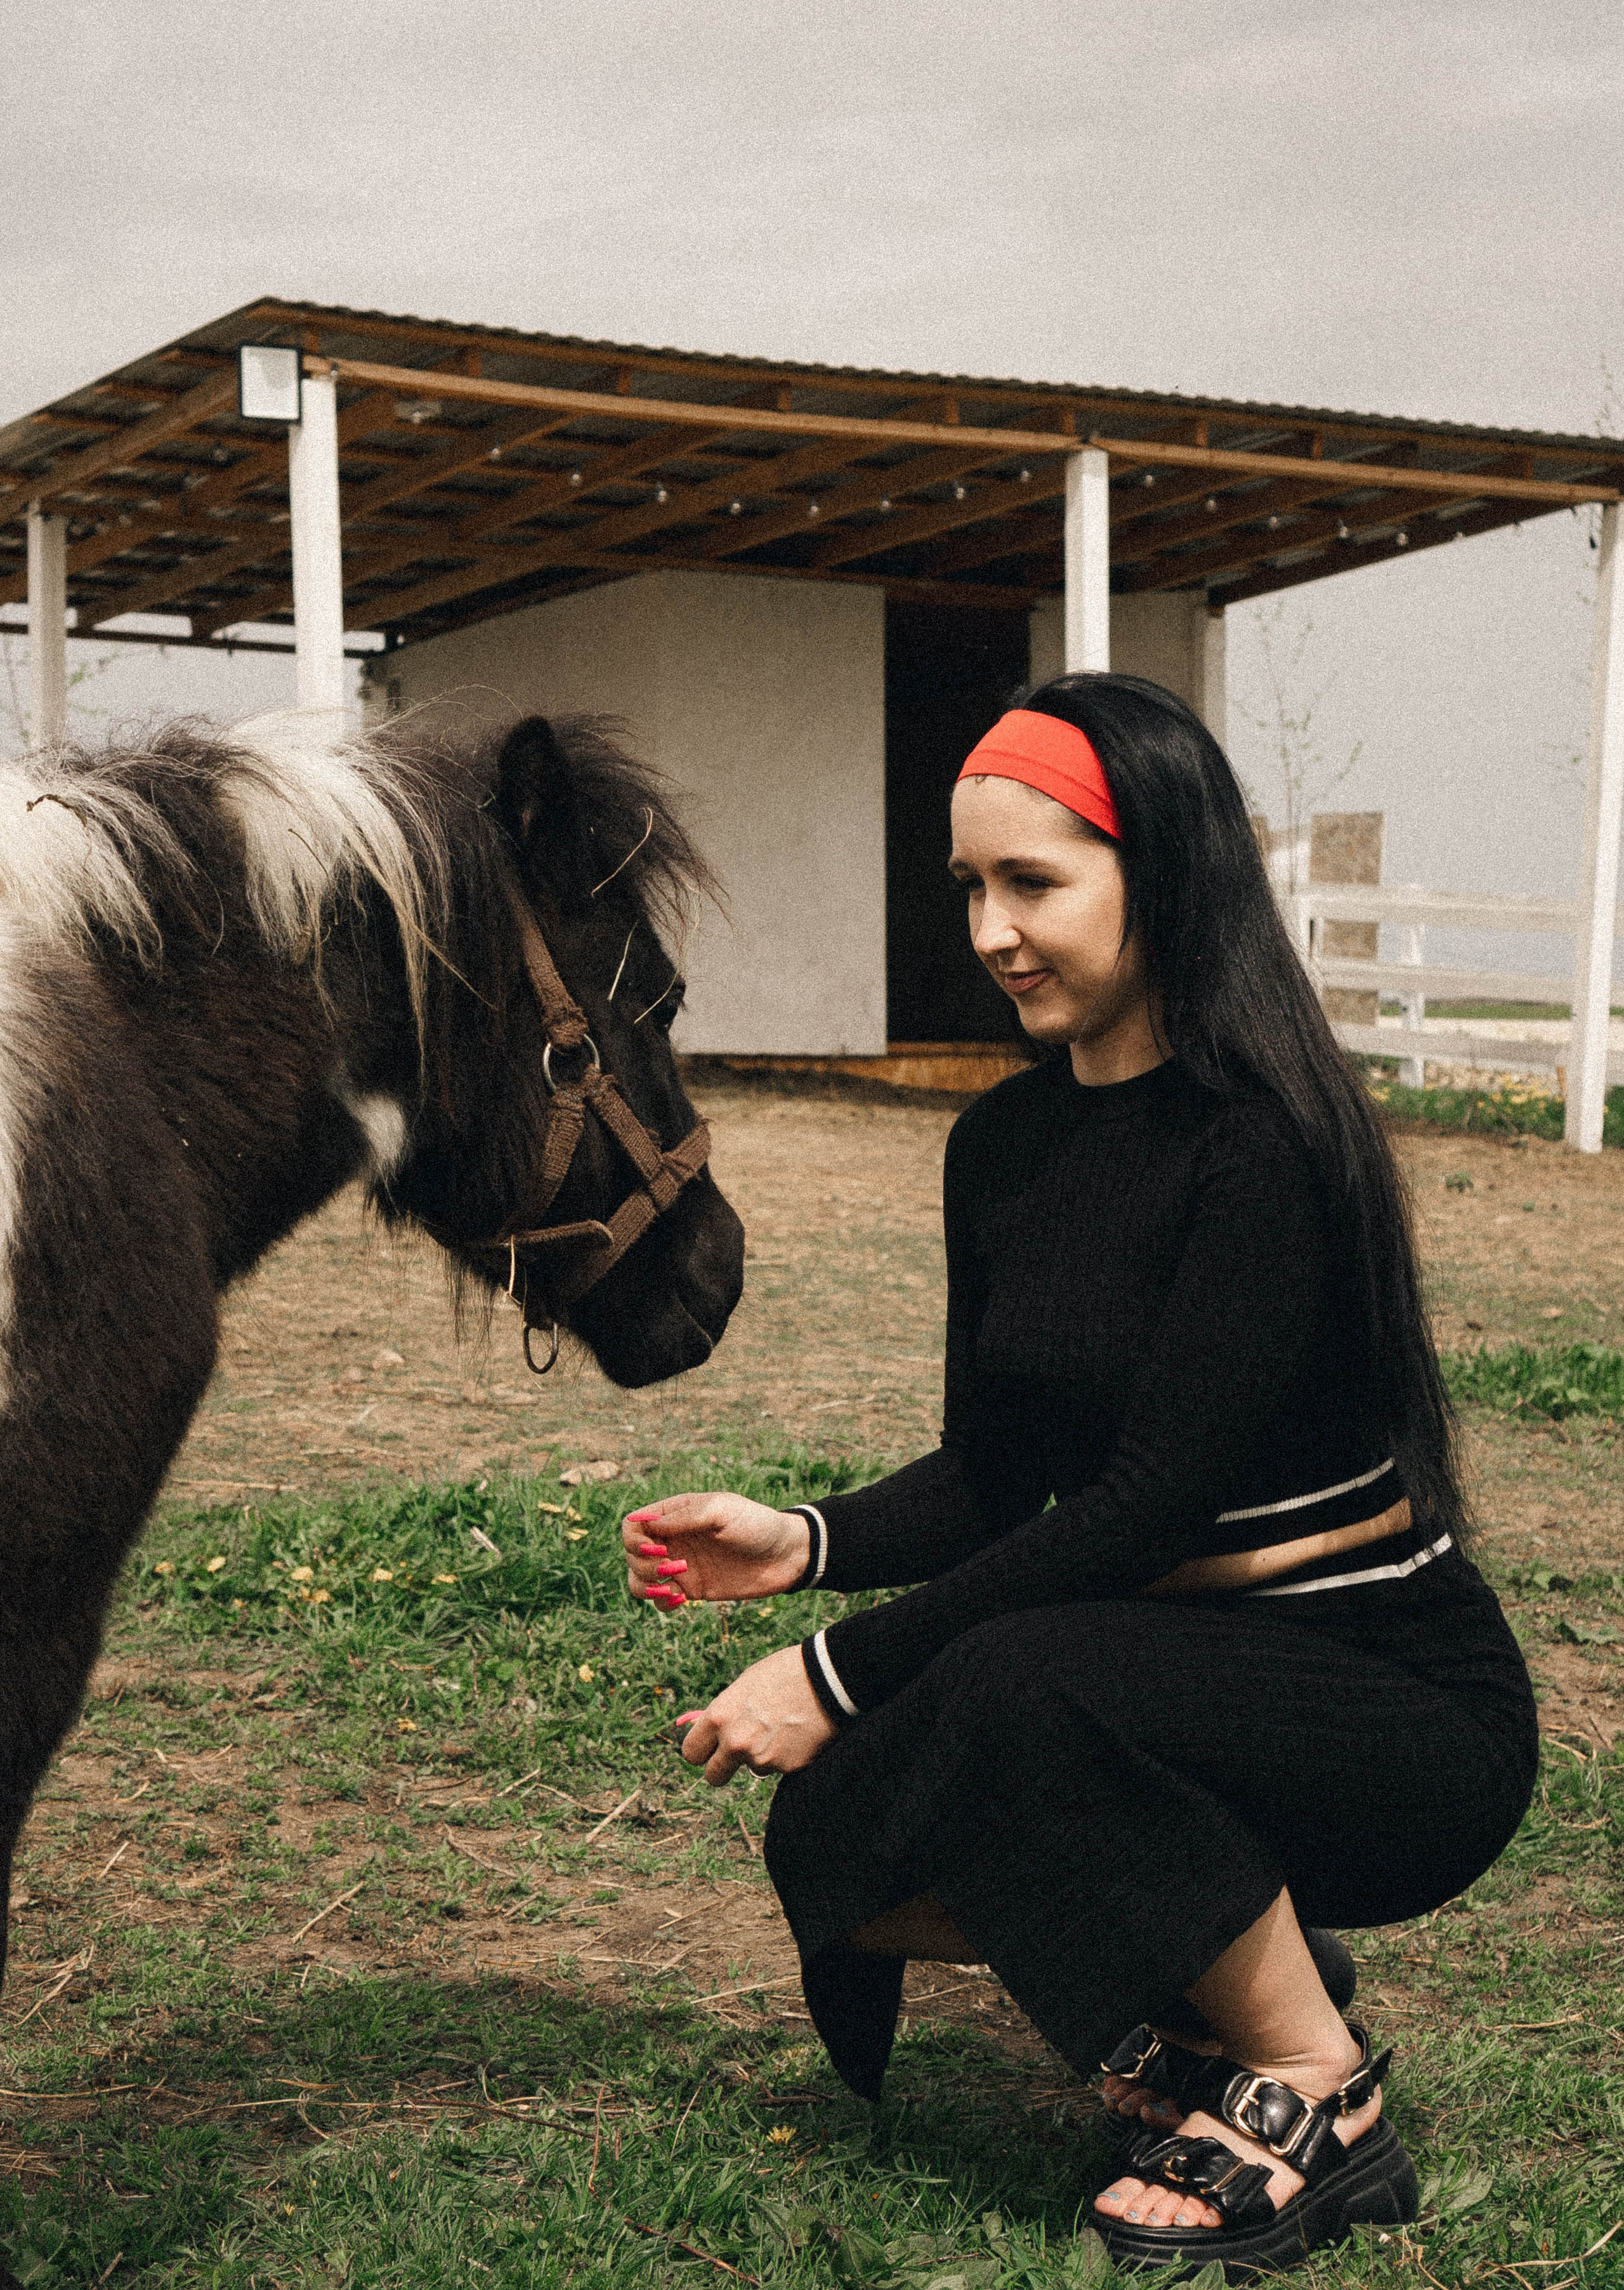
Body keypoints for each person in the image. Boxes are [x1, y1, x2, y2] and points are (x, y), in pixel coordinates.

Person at [620, 674, 1537, 2275]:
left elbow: (1142, 1510)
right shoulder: (1001, 1147)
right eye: (968, 886)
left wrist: (831, 1670)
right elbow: (995, 1473)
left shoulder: (1262, 1144)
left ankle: (1314, 2084)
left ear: (1160, 870)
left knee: (1017, 1677)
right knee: (838, 1829)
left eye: (1032, 882)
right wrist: (804, 1542)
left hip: (1386, 1706)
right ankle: (1215, 1974)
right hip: (1163, 1679)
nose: (990, 931)